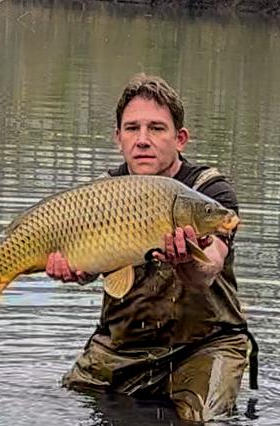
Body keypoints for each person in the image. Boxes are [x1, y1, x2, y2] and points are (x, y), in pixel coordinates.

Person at [45, 73, 257, 423]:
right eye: (132, 128)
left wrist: (187, 262)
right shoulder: (101, 193)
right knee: (68, 399)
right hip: (122, 346)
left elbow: (210, 267)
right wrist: (75, 271)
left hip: (205, 346)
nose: (142, 140)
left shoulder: (210, 194)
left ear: (180, 138)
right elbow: (91, 268)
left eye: (156, 128)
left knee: (204, 420)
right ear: (118, 138)